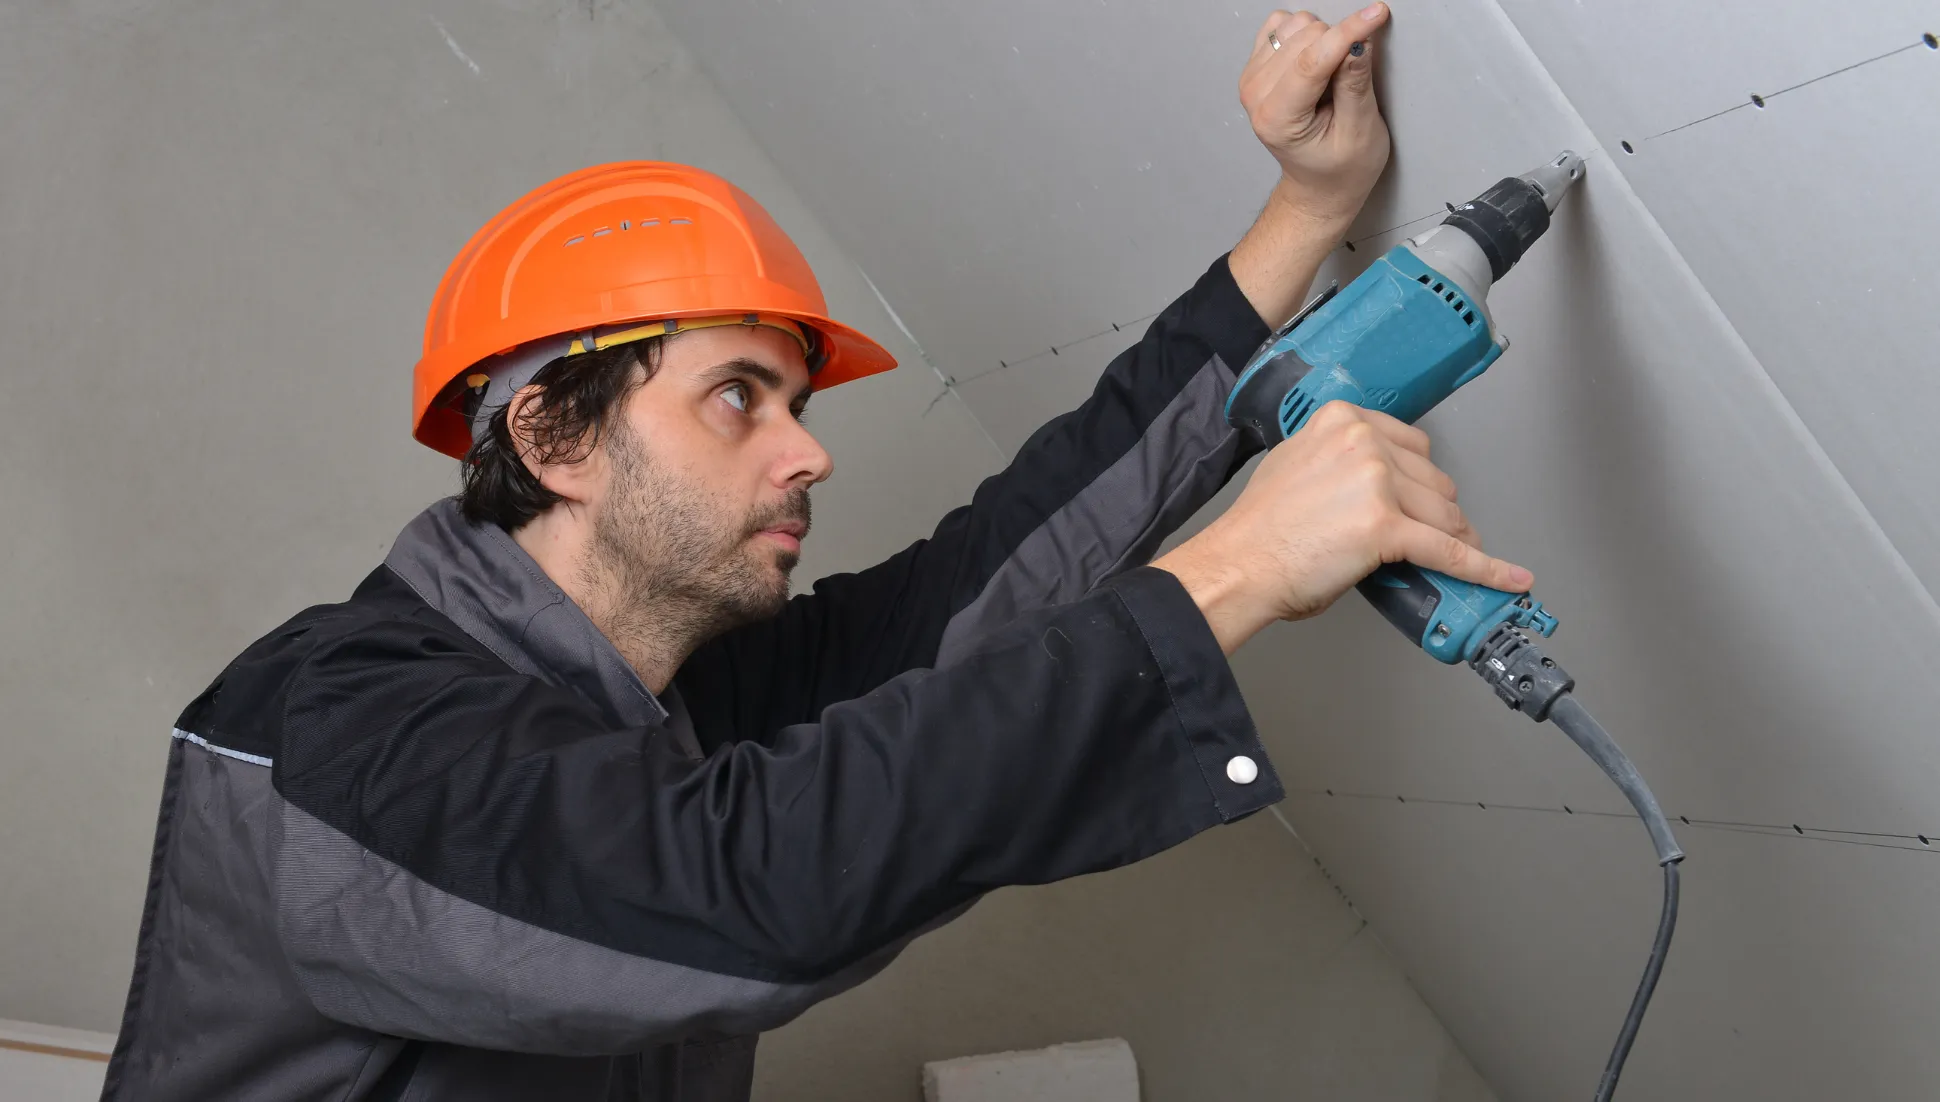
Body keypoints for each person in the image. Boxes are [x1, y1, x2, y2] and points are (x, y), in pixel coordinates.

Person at [101, 6, 1530, 1099]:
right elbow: (736, 892)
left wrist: (1307, 213)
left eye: (797, 403)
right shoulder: (342, 726)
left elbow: (996, 573)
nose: (808, 452)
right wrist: (1234, 572)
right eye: (738, 396)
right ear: (552, 436)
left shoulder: (668, 692)